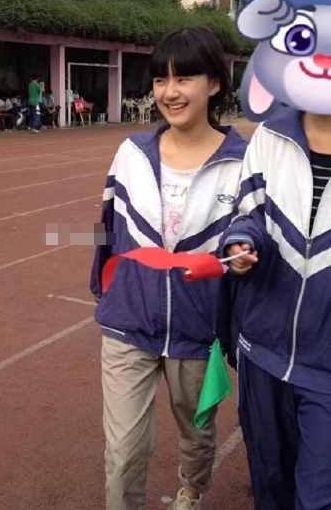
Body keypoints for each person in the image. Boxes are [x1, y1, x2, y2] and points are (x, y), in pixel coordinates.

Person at [90, 26, 247, 510]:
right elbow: (107, 224)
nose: (170, 92)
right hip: (129, 322)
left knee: (197, 434)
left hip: (199, 331)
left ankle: (191, 490)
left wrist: (240, 263)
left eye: (184, 79)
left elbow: (251, 241)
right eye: (161, 80)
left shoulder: (243, 163)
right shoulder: (131, 153)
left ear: (214, 84)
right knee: (123, 452)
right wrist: (104, 288)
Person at [221, 0, 331, 510]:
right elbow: (248, 213)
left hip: (326, 367)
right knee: (270, 484)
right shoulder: (269, 138)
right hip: (262, 351)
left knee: (318, 495)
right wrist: (241, 246)